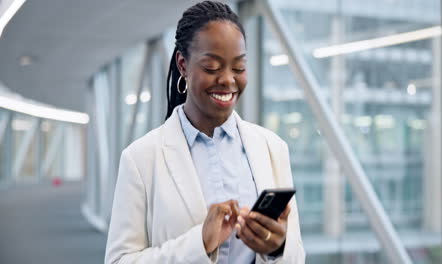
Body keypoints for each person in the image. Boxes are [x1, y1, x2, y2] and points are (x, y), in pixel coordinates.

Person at [104, 1, 305, 263]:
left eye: (239, 68)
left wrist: (277, 248)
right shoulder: (141, 158)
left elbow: (297, 255)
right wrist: (199, 243)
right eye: (212, 67)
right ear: (183, 64)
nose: (228, 80)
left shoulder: (271, 147)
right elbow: (118, 260)